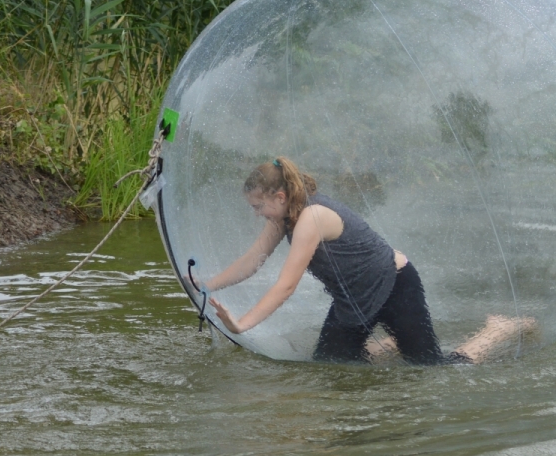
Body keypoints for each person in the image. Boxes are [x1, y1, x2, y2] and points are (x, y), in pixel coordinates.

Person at [204, 156, 533, 365]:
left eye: (258, 206)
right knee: (332, 365)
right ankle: (394, 341)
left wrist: (242, 324)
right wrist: (206, 284)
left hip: (394, 286)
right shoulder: (282, 217)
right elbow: (253, 261)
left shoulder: (311, 218)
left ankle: (498, 330)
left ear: (280, 196)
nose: (256, 213)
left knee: (433, 368)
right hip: (354, 299)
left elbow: (286, 285)